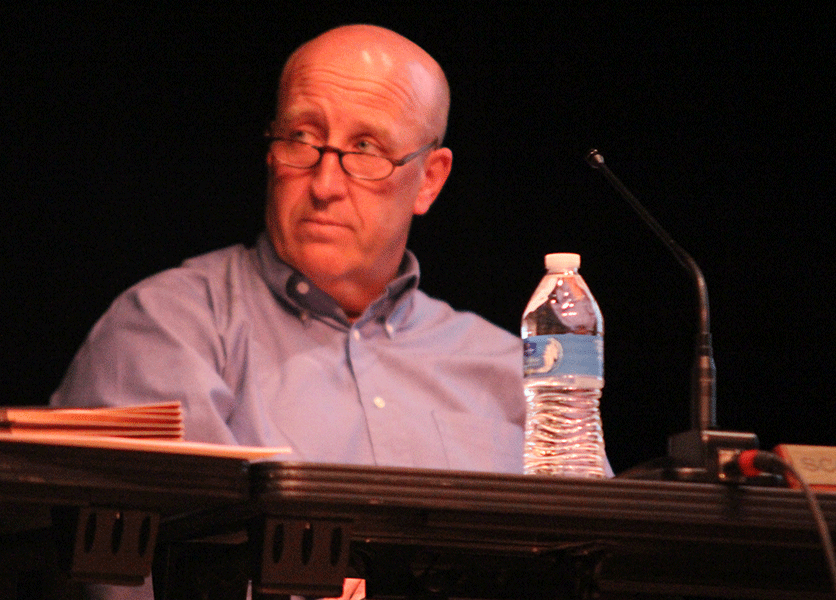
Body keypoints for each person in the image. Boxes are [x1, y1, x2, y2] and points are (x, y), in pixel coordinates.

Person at [50, 24, 540, 600]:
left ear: (429, 180)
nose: (325, 183)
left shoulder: (514, 372)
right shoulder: (168, 327)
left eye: (365, 148)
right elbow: (132, 574)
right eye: (302, 139)